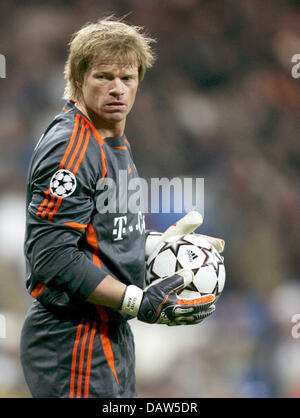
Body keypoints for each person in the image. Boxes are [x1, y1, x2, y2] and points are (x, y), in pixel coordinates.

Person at [20, 16, 223, 398]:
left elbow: (98, 234)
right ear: (78, 80)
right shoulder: (72, 147)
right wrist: (136, 300)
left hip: (109, 334)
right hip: (71, 338)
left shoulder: (114, 143)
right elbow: (54, 258)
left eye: (127, 79)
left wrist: (161, 247)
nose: (117, 89)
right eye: (103, 77)